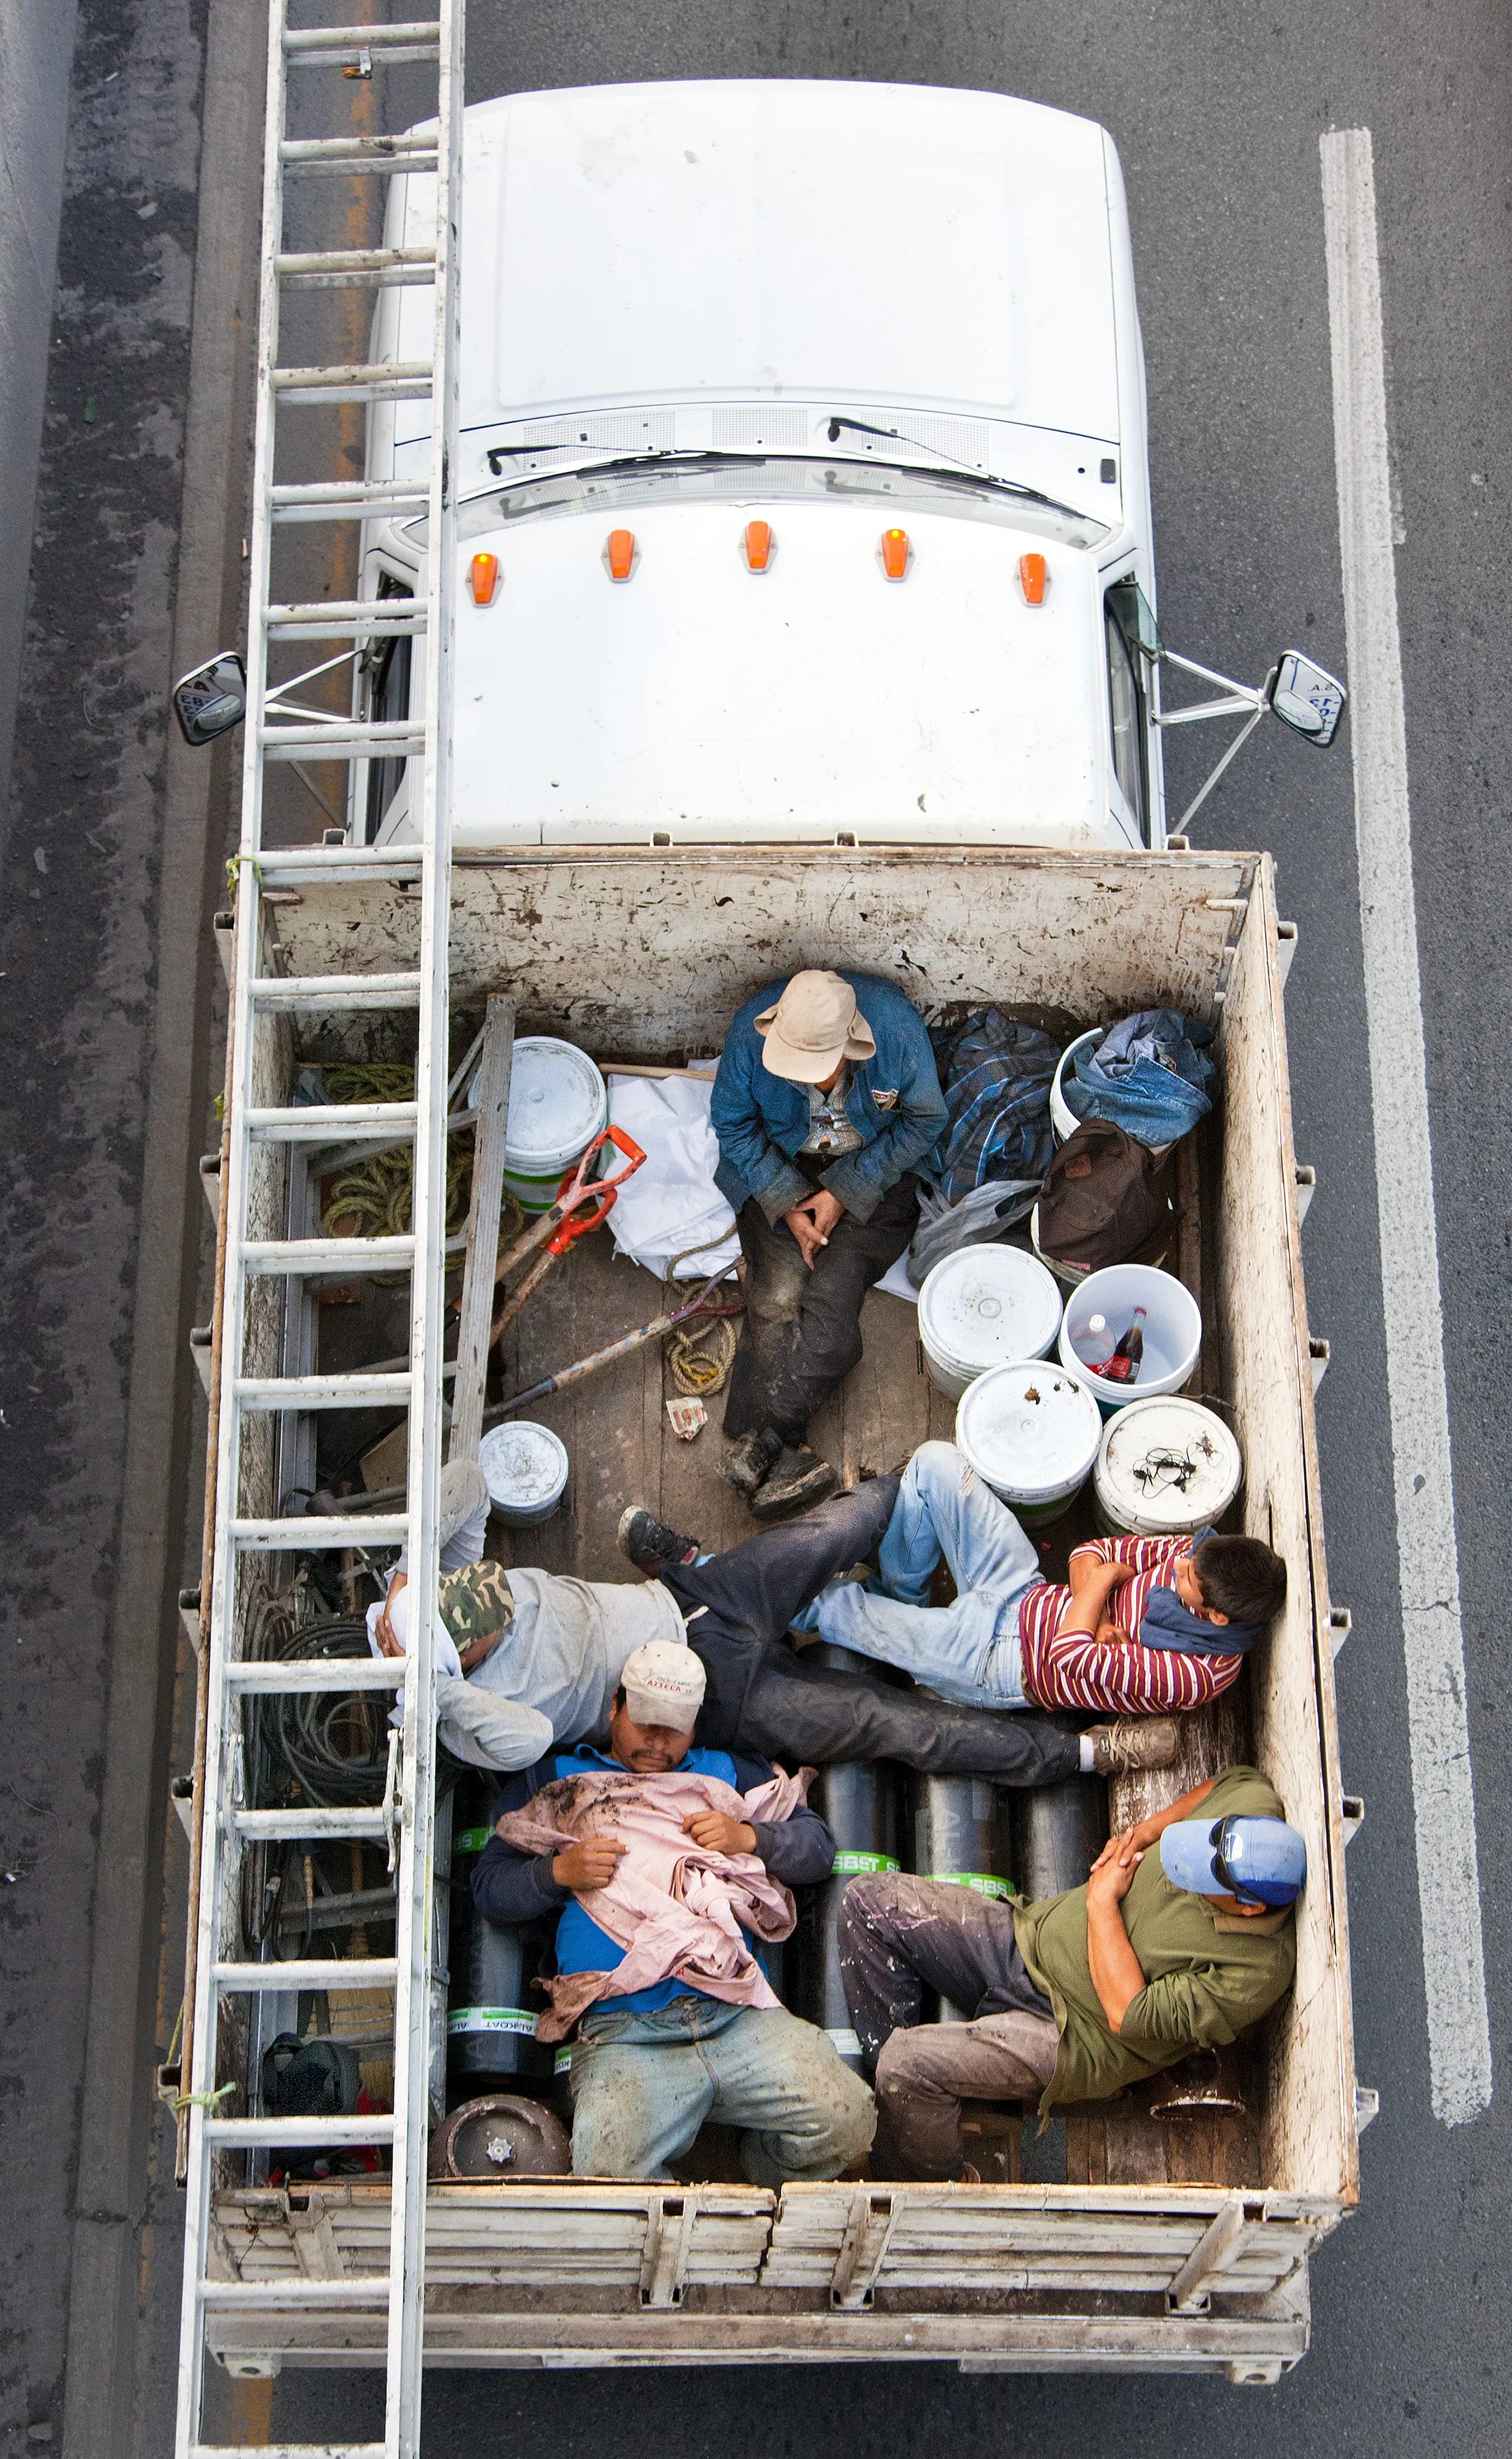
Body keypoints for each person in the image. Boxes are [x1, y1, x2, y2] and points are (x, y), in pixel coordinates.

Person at [370, 1460, 1178, 1787]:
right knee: (885, 1722)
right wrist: (431, 1687)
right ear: (455, 1665)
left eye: (471, 1587)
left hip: (702, 1600)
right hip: (705, 1701)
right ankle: (1081, 1752)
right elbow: (516, 1745)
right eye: (474, 1619)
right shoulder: (477, 1714)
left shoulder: (464, 1589)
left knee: (843, 1525)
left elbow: (467, 1484)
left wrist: (412, 1569)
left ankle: (692, 1559)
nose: (491, 1595)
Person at [471, 1641, 876, 2183]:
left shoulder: (728, 1773)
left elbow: (817, 1848)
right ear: (615, 1706)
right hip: (623, 2032)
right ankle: (685, 2214)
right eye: (644, 1724)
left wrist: (748, 1836)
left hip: (735, 2014)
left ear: (696, 1725)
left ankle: (760, 2173)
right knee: (605, 2176)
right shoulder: (559, 1779)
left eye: (675, 1729)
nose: (657, 1745)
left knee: (849, 2121)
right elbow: (488, 1888)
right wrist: (556, 1874)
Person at [836, 1766, 1304, 2179]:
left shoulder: (1255, 1971)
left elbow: (1128, 2013)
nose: (1187, 1870)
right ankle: (902, 2113)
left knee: (909, 2063)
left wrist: (1102, 1903)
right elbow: (1220, 1786)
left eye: (1202, 1879)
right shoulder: (1254, 1803)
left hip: (1068, 2033)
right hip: (1027, 1937)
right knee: (868, 1902)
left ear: (1250, 1907)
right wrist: (1143, 1833)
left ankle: (919, 2176)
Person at [797, 1440, 1287, 1716]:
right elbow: (1093, 1552)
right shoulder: (1198, 1556)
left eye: (1187, 1581)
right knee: (934, 1466)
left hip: (1001, 1662)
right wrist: (1100, 1597)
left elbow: (1065, 1655)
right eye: (1190, 1557)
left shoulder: (1197, 1674)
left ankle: (732, 1584)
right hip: (1021, 1590)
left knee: (833, 1606)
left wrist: (1104, 1584)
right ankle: (902, 1598)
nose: (1181, 1561)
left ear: (1216, 1617)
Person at [711, 968, 947, 1517]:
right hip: (783, 1163)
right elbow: (733, 1124)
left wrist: (845, 1190)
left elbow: (925, 1123)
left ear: (852, 1047)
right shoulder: (751, 1035)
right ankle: (770, 1447)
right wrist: (787, 1201)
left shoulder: (895, 1034)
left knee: (831, 1306)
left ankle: (766, 1442)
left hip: (874, 1170)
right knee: (775, 1297)